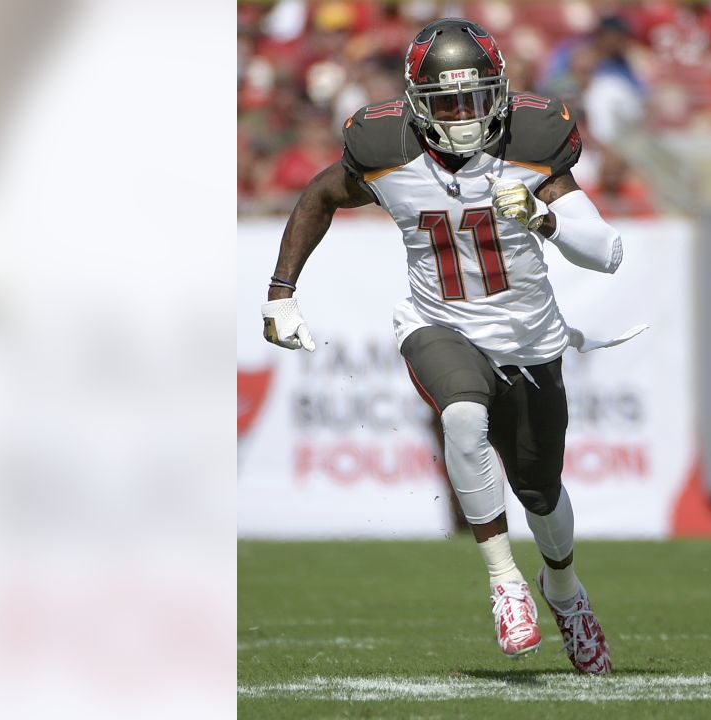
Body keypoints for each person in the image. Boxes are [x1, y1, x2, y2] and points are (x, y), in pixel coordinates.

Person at [261, 17, 644, 675]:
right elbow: (322, 193)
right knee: (463, 416)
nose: (463, 117)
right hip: (436, 321)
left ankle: (566, 594)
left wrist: (544, 217)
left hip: (528, 339)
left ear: (499, 92)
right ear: (416, 105)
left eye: (474, 98)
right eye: (446, 103)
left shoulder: (534, 139)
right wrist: (280, 290)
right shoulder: (384, 145)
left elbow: (607, 251)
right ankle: (504, 583)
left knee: (542, 491)